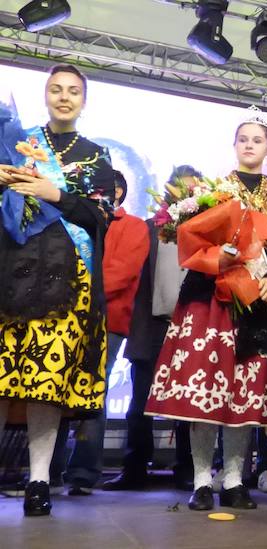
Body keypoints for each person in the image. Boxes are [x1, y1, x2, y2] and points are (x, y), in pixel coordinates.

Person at [144, 112, 267, 511]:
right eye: (242, 138)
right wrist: (218, 257)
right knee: (205, 392)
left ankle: (233, 480)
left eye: (257, 140)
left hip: (253, 305)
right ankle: (200, 480)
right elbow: (190, 240)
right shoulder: (212, 190)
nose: (249, 145)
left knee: (242, 394)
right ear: (234, 144)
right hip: (208, 302)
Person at [0, 64, 116, 516]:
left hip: (68, 281)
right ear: (45, 95)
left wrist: (54, 193)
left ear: (83, 101)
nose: (64, 97)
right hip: (12, 270)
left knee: (46, 383)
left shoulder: (95, 155)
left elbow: (100, 216)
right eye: (56, 89)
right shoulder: (19, 140)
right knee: (5, 374)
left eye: (73, 92)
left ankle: (39, 480)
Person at [102, 166, 200, 492]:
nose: (185, 196)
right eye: (179, 190)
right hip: (151, 327)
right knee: (139, 404)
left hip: (189, 329)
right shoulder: (147, 229)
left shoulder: (204, 235)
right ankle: (134, 469)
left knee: (187, 404)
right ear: (167, 191)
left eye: (192, 191)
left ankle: (186, 468)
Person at [55, 171, 150, 495]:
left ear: (119, 191)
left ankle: (82, 473)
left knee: (92, 393)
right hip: (62, 317)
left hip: (107, 321)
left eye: (100, 189)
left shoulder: (135, 226)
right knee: (52, 394)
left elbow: (121, 273)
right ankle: (48, 472)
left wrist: (76, 293)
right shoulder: (74, 219)